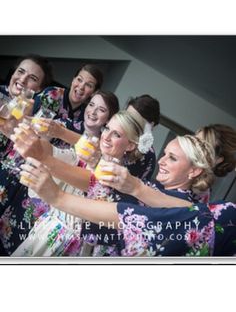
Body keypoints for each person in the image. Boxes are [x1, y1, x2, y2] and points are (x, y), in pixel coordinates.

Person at [16, 134, 216, 256]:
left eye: (171, 158)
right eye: (164, 154)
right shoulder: (153, 187)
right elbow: (96, 183)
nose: (161, 161)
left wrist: (56, 191)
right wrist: (46, 160)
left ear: (194, 171)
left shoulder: (186, 212)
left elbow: (121, 213)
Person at [12, 110, 150, 256]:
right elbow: (51, 152)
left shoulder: (118, 179)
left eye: (117, 134)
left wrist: (46, 146)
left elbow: (89, 181)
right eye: (107, 128)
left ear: (130, 146)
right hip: (46, 229)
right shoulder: (83, 156)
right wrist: (22, 130)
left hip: (68, 244)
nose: (106, 137)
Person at [0, 62, 103, 255]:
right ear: (73, 80)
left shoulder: (88, 117)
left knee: (21, 224)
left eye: (88, 85)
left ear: (93, 92)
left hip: (48, 173)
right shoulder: (51, 95)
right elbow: (24, 119)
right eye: (79, 79)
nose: (81, 86)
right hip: (21, 159)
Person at [196, 124, 236, 256]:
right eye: (193, 141)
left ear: (217, 159)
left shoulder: (199, 191)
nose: (193, 148)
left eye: (202, 146)